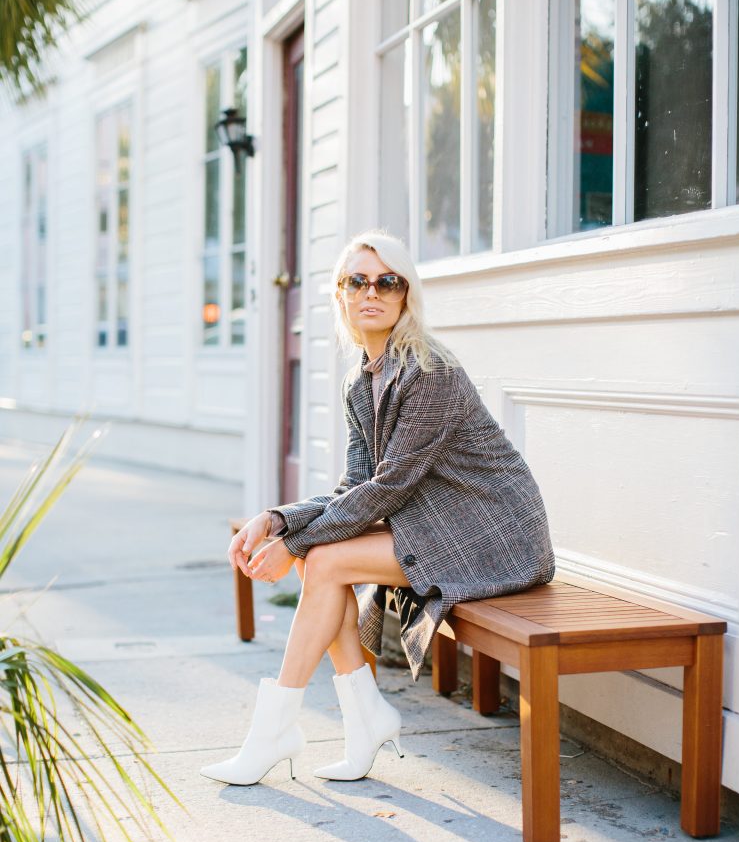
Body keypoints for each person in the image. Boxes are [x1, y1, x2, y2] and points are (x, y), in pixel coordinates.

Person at [201, 230, 555, 787]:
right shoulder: (359, 383)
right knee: (323, 562)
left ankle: (281, 732)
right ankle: (362, 719)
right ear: (340, 295)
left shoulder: (429, 371)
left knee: (323, 561)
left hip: (494, 531)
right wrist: (277, 518)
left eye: (388, 281)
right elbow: (355, 487)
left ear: (406, 295)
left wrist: (291, 544)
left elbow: (388, 489)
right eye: (357, 281)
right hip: (436, 525)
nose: (373, 292)